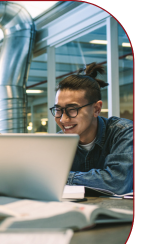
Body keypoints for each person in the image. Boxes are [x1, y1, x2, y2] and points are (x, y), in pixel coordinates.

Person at [50, 62, 133, 195]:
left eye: (72, 109)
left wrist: (60, 177)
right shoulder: (58, 142)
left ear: (96, 109)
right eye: (58, 110)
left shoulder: (123, 132)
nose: (63, 119)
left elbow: (117, 182)